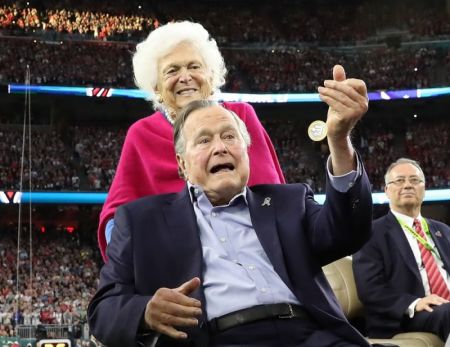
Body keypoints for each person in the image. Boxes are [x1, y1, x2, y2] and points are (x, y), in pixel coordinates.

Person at [88, 65, 374, 347]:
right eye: (203, 140)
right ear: (182, 164)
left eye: (229, 136)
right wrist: (145, 312)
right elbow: (104, 311)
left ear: (247, 152)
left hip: (311, 335)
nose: (220, 147)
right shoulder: (141, 221)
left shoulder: (289, 202)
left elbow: (348, 232)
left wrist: (338, 140)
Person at [97, 21, 285, 261]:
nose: (185, 77)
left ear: (211, 75)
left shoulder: (242, 116)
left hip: (256, 253)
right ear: (156, 87)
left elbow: (274, 195)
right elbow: (116, 221)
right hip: (178, 266)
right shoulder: (142, 134)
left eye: (194, 66)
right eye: (172, 71)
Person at [353, 158, 450, 342]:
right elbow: (370, 290)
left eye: (414, 180)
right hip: (405, 315)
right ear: (387, 191)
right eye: (399, 181)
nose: (407, 185)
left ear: (424, 189)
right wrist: (415, 303)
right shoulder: (371, 234)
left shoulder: (443, 230)